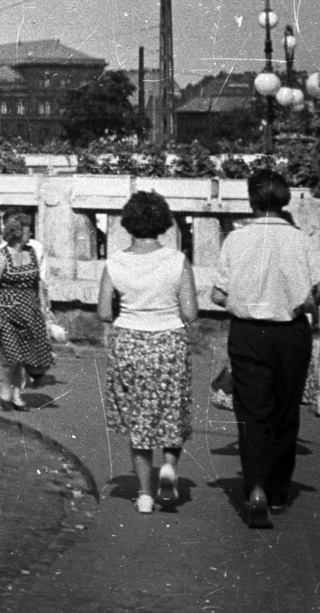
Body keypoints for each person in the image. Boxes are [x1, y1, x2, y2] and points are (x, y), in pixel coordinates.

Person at [212, 169, 320, 528]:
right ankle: (276, 492)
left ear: (252, 200)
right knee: (286, 411)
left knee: (253, 412)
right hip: (291, 334)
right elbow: (315, 292)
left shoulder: (236, 240)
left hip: (248, 332)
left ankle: (254, 485)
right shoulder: (303, 241)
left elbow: (218, 293)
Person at [97, 191, 197, 514]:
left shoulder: (116, 262)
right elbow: (191, 311)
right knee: (171, 407)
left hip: (129, 341)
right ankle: (169, 465)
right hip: (168, 339)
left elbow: (102, 312)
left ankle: (144, 494)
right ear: (163, 222)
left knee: (138, 417)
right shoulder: (177, 261)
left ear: (129, 223)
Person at [0, 214, 54, 411]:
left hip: (30, 311)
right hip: (8, 312)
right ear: (16, 232)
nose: (31, 234)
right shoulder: (2, 256)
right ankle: (6, 388)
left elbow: (38, 283)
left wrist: (43, 307)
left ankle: (16, 395)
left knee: (26, 356)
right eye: (27, 230)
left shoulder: (32, 252)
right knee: (11, 356)